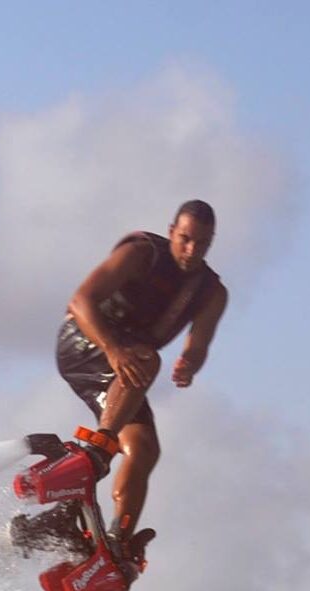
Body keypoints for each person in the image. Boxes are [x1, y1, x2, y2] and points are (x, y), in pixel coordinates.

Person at [55, 200, 228, 538]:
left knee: (145, 448)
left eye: (203, 243)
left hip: (124, 372)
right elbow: (80, 302)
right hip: (85, 341)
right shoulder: (141, 254)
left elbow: (199, 345)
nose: (192, 250)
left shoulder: (212, 292)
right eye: (185, 239)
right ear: (171, 232)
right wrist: (114, 349)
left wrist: (189, 364)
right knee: (147, 360)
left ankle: (116, 545)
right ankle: (96, 452)